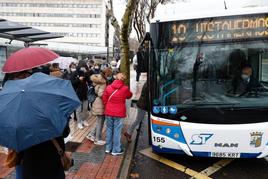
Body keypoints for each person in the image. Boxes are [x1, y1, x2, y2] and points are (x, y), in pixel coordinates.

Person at [102, 73, 132, 155]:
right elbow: (129, 96)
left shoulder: (108, 87)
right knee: (117, 131)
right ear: (123, 80)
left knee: (109, 129)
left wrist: (107, 106)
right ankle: (116, 150)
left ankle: (108, 148)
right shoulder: (125, 88)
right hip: (119, 112)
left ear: (115, 78)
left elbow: (104, 99)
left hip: (109, 112)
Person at [86, 68, 113, 145]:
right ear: (106, 74)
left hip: (96, 102)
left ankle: (91, 134)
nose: (110, 76)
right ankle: (97, 139)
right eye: (109, 75)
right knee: (100, 122)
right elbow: (101, 94)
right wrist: (109, 94)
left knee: (98, 121)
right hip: (100, 104)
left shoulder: (98, 79)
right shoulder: (103, 82)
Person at [70, 65, 89, 129]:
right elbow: (72, 83)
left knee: (85, 109)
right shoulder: (74, 74)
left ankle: (83, 120)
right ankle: (79, 122)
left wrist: (86, 73)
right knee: (78, 110)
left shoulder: (85, 73)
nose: (82, 69)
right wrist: (78, 79)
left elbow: (89, 81)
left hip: (85, 94)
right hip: (78, 95)